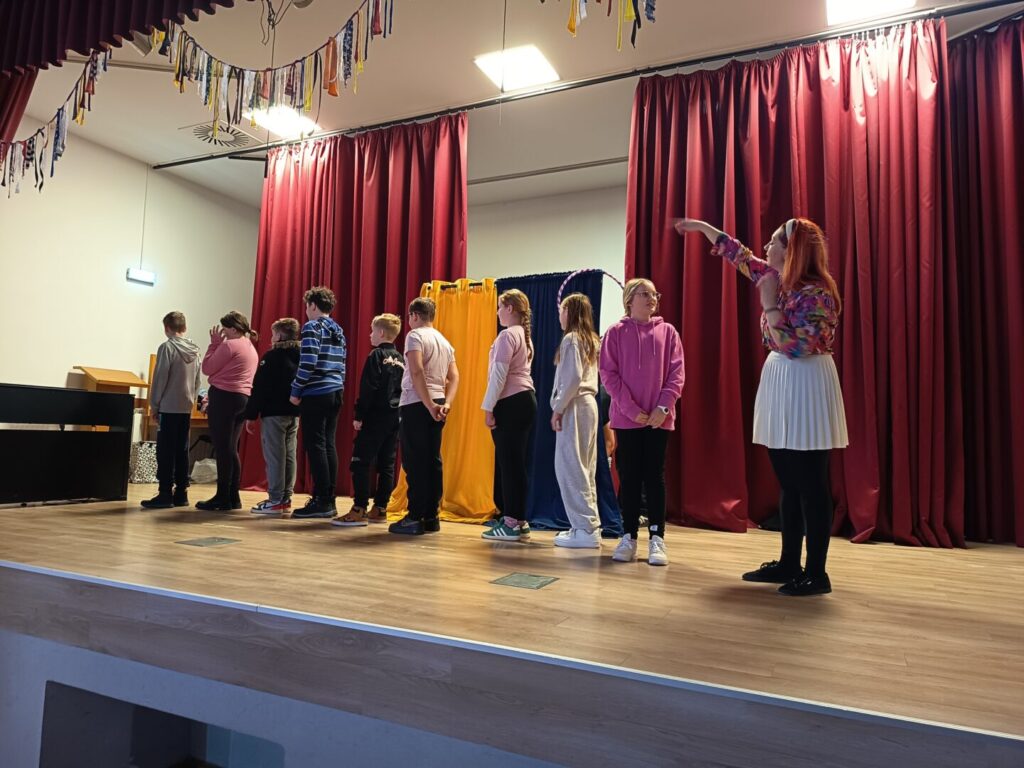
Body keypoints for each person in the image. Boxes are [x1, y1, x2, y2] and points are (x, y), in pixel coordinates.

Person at [675, 217, 848, 596]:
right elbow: (739, 255)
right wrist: (702, 228)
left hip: (806, 382)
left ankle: (816, 573)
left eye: (774, 242)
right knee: (788, 481)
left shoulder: (817, 295)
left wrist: (769, 302)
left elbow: (796, 346)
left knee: (811, 483)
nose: (766, 248)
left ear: (792, 251)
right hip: (783, 380)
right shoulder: (775, 278)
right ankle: (789, 562)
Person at [599, 278, 684, 566]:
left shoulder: (668, 332)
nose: (652, 298)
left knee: (655, 477)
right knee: (630, 477)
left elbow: (677, 373)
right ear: (629, 300)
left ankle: (657, 539)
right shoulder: (615, 333)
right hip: (627, 419)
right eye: (644, 294)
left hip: (659, 419)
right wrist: (631, 409)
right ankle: (629, 537)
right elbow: (608, 374)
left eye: (654, 294)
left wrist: (663, 407)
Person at [390, 297, 459, 536]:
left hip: (417, 402)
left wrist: (428, 404)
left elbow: (417, 370)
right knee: (432, 459)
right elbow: (454, 376)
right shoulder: (444, 341)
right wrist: (446, 403)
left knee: (415, 461)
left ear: (415, 316)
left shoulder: (415, 336)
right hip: (438, 401)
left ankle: (415, 516)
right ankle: (431, 516)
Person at [333, 313, 404, 527]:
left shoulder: (376, 355)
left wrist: (359, 415)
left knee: (360, 461)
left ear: (381, 332)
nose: (369, 335)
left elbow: (368, 388)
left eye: (372, 331)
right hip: (395, 417)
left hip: (375, 416)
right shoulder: (401, 359)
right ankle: (380, 507)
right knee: (387, 463)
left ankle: (359, 508)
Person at [481, 289, 537, 542]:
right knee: (516, 464)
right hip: (525, 401)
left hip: (511, 403)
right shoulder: (524, 336)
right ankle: (519, 520)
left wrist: (488, 407)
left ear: (510, 308)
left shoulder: (507, 335)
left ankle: (511, 522)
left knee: (509, 465)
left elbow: (498, 376)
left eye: (500, 307)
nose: (497, 312)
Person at [289, 286, 347, 519]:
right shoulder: (338, 329)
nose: (306, 310)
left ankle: (322, 500)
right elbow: (342, 363)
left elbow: (308, 361)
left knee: (315, 446)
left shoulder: (312, 327)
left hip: (316, 392)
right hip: (335, 390)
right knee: (328, 444)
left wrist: (296, 389)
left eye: (307, 305)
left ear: (313, 305)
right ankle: (328, 498)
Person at [550, 293, 602, 548]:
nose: (559, 315)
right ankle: (586, 524)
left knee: (570, 466)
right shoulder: (590, 339)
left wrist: (558, 408)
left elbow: (572, 378)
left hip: (575, 405)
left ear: (569, 312)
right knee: (585, 466)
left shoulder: (572, 339)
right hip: (588, 405)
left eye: (562, 310)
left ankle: (585, 528)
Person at [197, 311, 259, 511]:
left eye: (224, 329)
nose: (222, 333)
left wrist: (214, 344)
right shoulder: (250, 346)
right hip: (243, 399)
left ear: (233, 329)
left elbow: (207, 368)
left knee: (223, 448)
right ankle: (233, 497)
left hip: (224, 397)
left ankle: (222, 497)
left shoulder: (229, 345)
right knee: (231, 449)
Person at [142, 311, 201, 509]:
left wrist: (155, 404)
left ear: (167, 328)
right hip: (186, 406)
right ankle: (181, 492)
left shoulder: (167, 347)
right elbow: (197, 380)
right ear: (184, 328)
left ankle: (165, 493)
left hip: (169, 406)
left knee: (165, 451)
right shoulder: (195, 350)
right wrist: (191, 400)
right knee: (182, 450)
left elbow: (160, 378)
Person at [244, 318, 301, 516]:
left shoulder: (272, 357)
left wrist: (251, 414)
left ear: (280, 335)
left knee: (275, 456)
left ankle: (275, 499)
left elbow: (260, 387)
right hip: (294, 412)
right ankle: (286, 497)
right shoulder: (302, 355)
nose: (271, 337)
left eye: (273, 333)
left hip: (274, 413)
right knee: (290, 454)